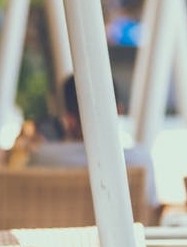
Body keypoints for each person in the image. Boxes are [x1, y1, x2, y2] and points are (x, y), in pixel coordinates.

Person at [28, 75, 159, 210]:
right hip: (120, 231)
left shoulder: (42, 157)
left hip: (56, 231)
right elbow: (151, 211)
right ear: (118, 111)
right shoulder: (140, 160)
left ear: (68, 119)